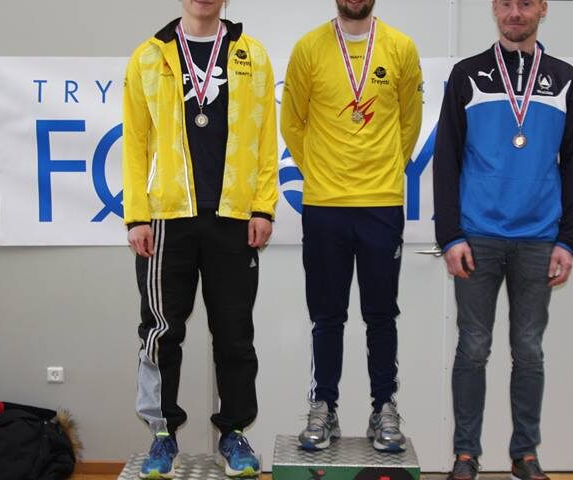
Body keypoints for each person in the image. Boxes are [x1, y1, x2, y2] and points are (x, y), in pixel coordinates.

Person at [121, 0, 278, 477]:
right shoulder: (149, 55)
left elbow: (266, 137)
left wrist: (263, 206)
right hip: (167, 217)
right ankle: (162, 435)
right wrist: (137, 216)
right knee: (161, 333)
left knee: (235, 335)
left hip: (233, 215)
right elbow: (134, 141)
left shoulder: (252, 54)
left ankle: (234, 433)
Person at [432, 0, 573, 478]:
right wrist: (450, 235)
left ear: (542, 8)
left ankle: (525, 454)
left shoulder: (563, 78)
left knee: (529, 351)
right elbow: (446, 158)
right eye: (505, 3)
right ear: (494, 9)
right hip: (477, 237)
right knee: (473, 348)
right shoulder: (467, 74)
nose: (515, 13)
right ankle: (465, 455)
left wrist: (568, 240)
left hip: (539, 238)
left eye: (525, 3)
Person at [280, 0, 423, 453]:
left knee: (381, 314)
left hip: (381, 204)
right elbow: (292, 123)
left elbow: (409, 121)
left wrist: (386, 170)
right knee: (327, 315)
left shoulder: (401, 47)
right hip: (325, 205)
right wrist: (321, 172)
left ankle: (384, 408)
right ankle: (324, 406)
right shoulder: (308, 48)